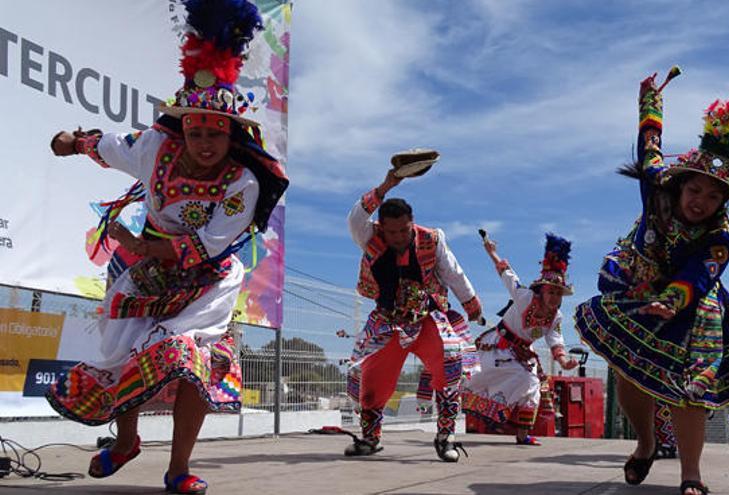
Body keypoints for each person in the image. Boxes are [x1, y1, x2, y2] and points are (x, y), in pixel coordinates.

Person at [45, 1, 287, 493]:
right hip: (146, 270)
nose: (202, 143)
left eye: (213, 134)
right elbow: (107, 144)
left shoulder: (242, 182)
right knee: (123, 353)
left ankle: (178, 468)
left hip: (208, 283)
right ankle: (126, 441)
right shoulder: (156, 148)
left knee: (191, 359)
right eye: (194, 131)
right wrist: (72, 141)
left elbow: (202, 249)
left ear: (232, 134)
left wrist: (136, 242)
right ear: (181, 129)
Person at [573, 67, 729, 495]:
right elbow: (650, 143)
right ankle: (646, 444)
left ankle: (691, 476)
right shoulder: (656, 187)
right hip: (638, 285)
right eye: (695, 191)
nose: (701, 202)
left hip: (694, 303)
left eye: (713, 196)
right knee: (628, 374)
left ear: (723, 201)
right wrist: (651, 99)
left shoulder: (722, 237)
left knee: (694, 387)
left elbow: (699, 274)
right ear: (682, 185)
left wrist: (672, 299)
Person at [345, 165, 482, 462]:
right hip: (387, 321)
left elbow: (453, 273)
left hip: (427, 317)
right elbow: (355, 217)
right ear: (382, 226)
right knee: (371, 382)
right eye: (391, 231)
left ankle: (446, 437)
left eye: (403, 230)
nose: (397, 237)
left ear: (412, 223)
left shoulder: (433, 239)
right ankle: (371, 439)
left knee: (450, 360)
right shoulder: (369, 236)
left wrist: (471, 304)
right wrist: (385, 186)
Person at [461, 233, 578, 445]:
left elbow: (556, 340)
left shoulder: (556, 317)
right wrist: (492, 252)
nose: (554, 298)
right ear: (541, 291)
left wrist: (564, 361)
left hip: (522, 354)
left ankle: (522, 435)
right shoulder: (524, 297)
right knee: (476, 379)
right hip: (498, 346)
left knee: (533, 389)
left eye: (559, 294)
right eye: (551, 292)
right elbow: (507, 274)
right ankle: (466, 404)